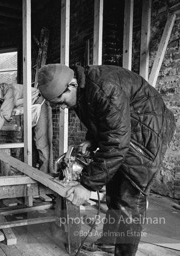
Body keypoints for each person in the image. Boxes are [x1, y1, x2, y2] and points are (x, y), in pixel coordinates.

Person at [37, 64, 175, 255]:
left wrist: (86, 186)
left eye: (61, 100)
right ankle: (109, 241)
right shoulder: (84, 90)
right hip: (129, 132)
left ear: (72, 84)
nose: (61, 107)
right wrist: (91, 140)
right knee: (113, 191)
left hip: (148, 136)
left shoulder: (105, 87)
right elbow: (106, 119)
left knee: (129, 200)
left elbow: (117, 143)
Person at [0, 76, 52, 173]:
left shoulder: (9, 90)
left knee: (40, 142)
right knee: (28, 143)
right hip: (27, 108)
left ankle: (45, 177)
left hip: (38, 103)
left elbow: (2, 116)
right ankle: (31, 173)